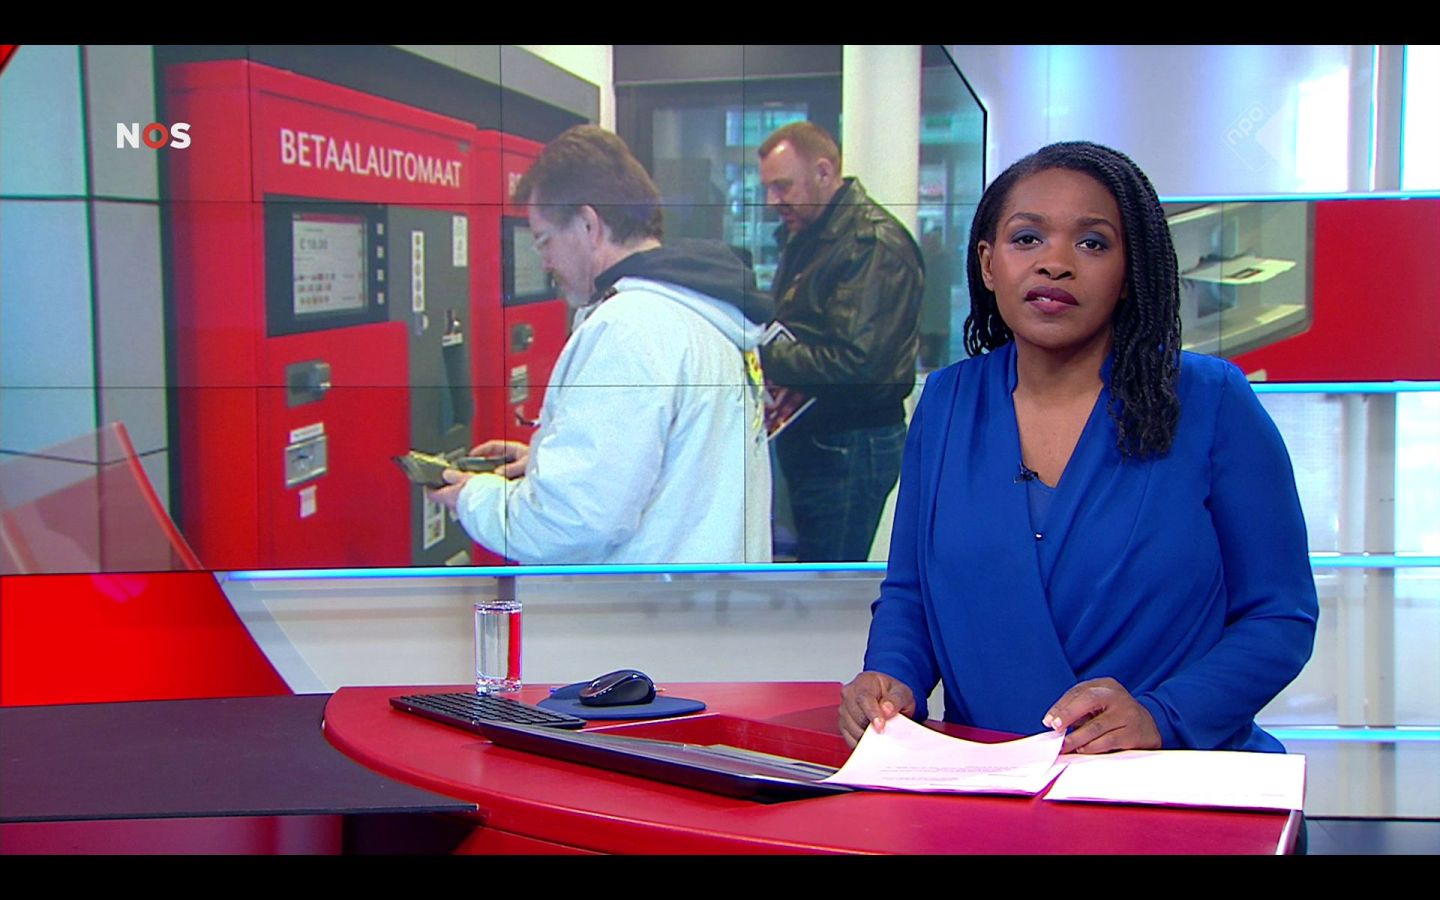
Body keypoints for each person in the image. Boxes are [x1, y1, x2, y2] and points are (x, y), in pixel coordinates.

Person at [840, 141, 1318, 757]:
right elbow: (912, 594)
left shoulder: (1211, 400)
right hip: (992, 781)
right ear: (988, 264)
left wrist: (1163, 716)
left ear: (1130, 274)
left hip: (1170, 777)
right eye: (1027, 239)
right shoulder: (946, 403)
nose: (1055, 264)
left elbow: (1278, 617)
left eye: (1092, 243)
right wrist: (891, 678)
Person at [429, 126, 773, 564]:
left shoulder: (631, 327)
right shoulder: (705, 310)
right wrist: (546, 462)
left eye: (544, 241)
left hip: (643, 603)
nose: (545, 262)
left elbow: (573, 523)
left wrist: (473, 497)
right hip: (707, 596)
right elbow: (679, 467)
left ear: (589, 225)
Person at [757, 121, 924, 562]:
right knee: (810, 571)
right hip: (815, 437)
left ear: (824, 172)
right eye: (769, 188)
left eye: (782, 186)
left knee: (827, 580)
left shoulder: (873, 245)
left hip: (849, 445)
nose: (773, 201)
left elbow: (856, 365)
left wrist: (762, 355)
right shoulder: (808, 236)